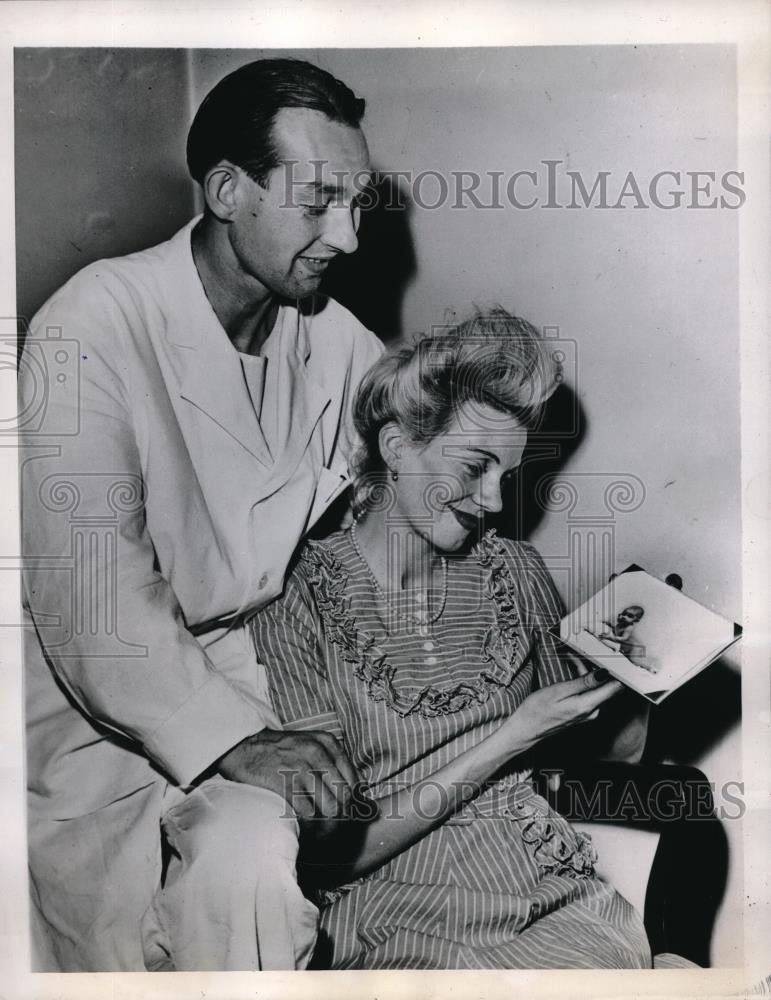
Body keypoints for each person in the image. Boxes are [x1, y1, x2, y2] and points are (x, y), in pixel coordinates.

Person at [20, 58, 382, 972]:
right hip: (104, 707)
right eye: (319, 201)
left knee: (254, 867)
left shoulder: (338, 344)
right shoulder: (93, 322)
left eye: (357, 202)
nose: (345, 235)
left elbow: (400, 501)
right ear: (227, 190)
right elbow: (91, 590)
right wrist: (236, 741)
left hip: (265, 691)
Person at [251, 309, 691, 969]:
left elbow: (609, 756)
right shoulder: (296, 595)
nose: (492, 499)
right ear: (397, 447)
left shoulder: (514, 570)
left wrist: (635, 677)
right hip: (394, 918)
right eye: (475, 466)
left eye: (505, 474)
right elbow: (327, 849)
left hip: (553, 898)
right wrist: (513, 735)